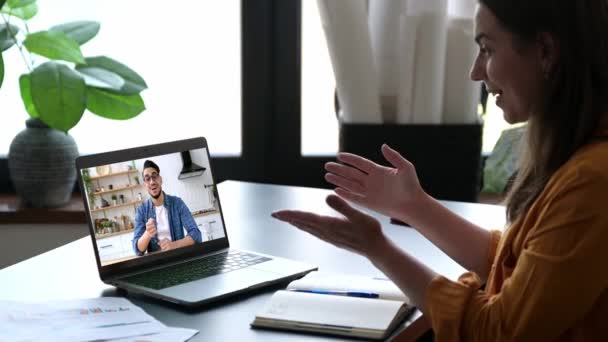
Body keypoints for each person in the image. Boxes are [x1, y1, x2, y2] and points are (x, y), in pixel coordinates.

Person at [272, 1, 608, 340]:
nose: (476, 72)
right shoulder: (583, 160)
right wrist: (414, 206)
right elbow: (516, 262)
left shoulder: (592, 180)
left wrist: (379, 249)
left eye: (488, 49)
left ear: (546, 51)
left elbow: (497, 332)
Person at [133, 160, 202, 255]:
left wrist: (174, 245)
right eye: (147, 179)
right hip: (157, 265)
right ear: (145, 184)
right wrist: (147, 234)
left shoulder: (177, 203)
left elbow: (196, 234)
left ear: (160, 179)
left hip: (179, 258)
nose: (152, 182)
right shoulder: (141, 211)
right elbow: (137, 250)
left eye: (154, 176)